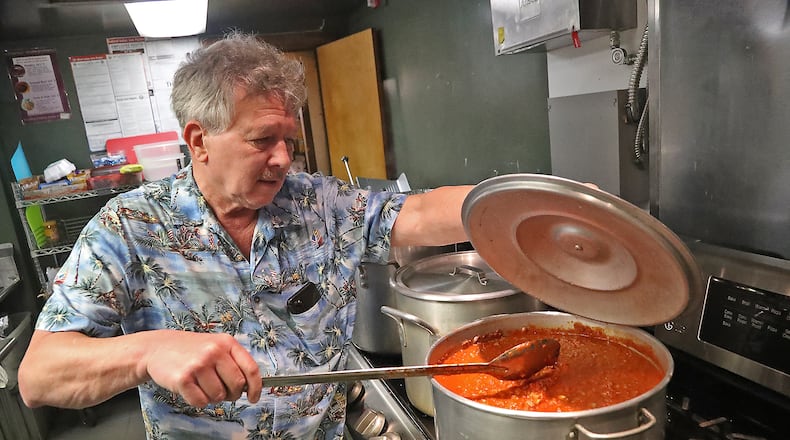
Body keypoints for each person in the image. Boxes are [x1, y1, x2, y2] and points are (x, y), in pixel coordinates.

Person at [18, 32, 472, 439]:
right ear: (199, 141)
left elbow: (419, 211)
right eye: (262, 140)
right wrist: (148, 351)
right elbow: (39, 376)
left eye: (288, 140)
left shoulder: (319, 202)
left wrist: (510, 202)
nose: (283, 158)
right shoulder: (130, 226)